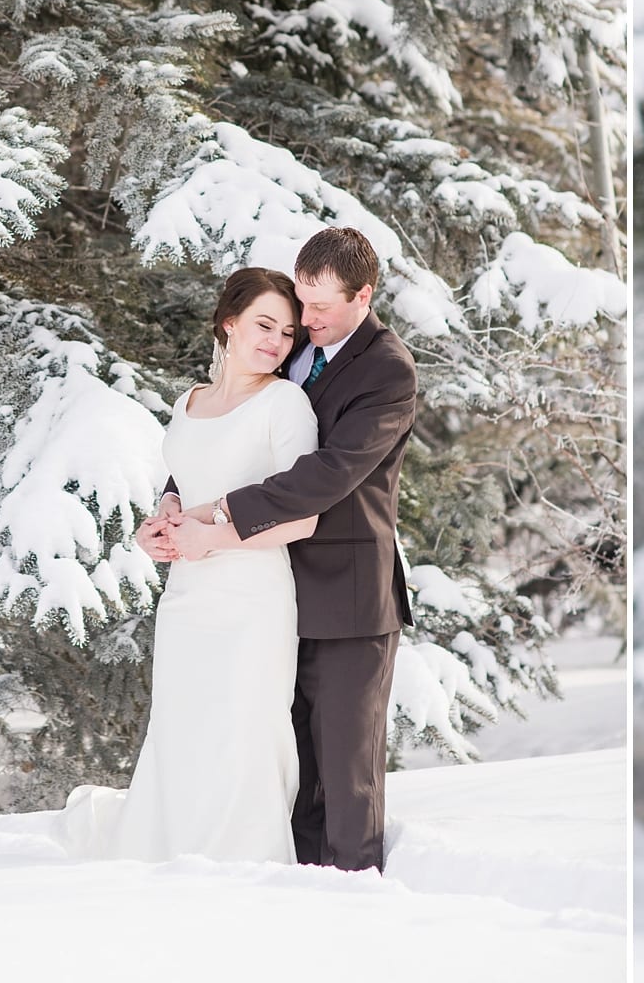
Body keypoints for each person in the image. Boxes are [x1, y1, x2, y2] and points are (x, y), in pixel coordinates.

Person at [153, 225, 417, 872]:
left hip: (348, 596)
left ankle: (355, 895)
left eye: (323, 307)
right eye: (303, 301)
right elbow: (233, 437)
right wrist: (174, 500)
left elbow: (330, 471)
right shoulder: (296, 353)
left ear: (365, 295)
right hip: (272, 588)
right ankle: (292, 890)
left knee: (345, 767)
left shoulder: (386, 369)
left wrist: (219, 514)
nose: (307, 319)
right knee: (285, 765)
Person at [63, 266, 321, 861]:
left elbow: (302, 518)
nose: (275, 341)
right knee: (182, 724)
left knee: (242, 728)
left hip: (252, 592)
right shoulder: (189, 402)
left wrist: (212, 540)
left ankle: (239, 860)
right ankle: (168, 848)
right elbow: (187, 479)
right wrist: (164, 517)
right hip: (186, 595)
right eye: (263, 324)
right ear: (228, 323)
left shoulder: (286, 404)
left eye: (287, 333)